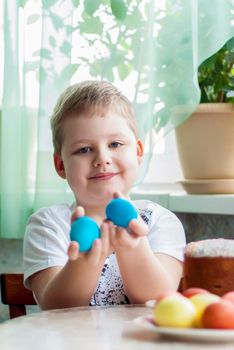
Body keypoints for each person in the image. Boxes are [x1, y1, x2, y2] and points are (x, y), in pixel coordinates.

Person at [23, 80, 186, 309]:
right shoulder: (48, 225)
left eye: (116, 144)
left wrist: (133, 247)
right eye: (84, 149)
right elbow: (55, 309)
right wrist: (84, 261)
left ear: (138, 152)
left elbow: (157, 302)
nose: (102, 159)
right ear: (60, 165)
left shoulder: (160, 222)